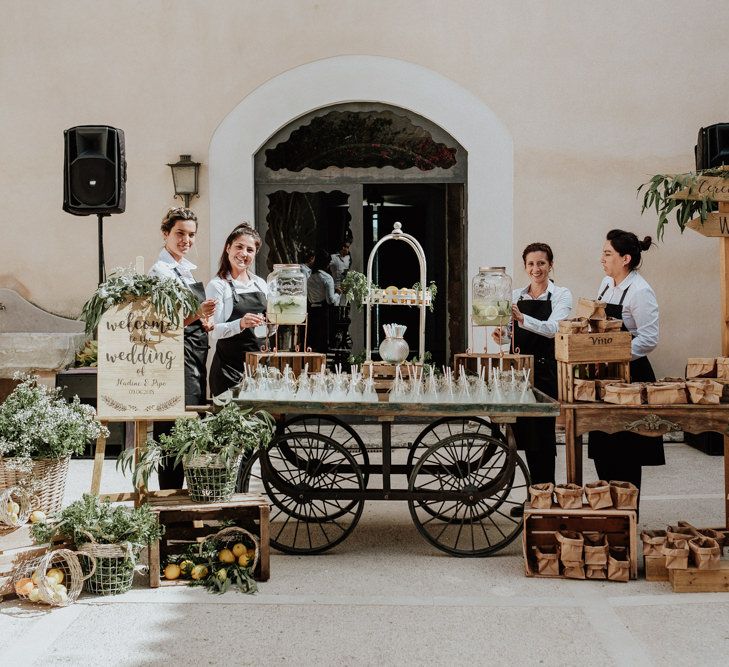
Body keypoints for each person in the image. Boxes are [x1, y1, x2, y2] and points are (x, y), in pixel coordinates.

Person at [494, 243, 573, 515]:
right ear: (525, 267)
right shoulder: (516, 295)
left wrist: (522, 318)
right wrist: (501, 336)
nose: (536, 269)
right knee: (525, 436)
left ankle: (546, 499)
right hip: (519, 374)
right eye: (531, 264)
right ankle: (534, 497)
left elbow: (554, 329)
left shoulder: (561, 294)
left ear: (550, 264)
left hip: (545, 373)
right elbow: (509, 333)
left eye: (541, 263)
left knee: (543, 438)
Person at [148, 206, 217, 488]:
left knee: (190, 422)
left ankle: (185, 495)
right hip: (175, 357)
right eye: (180, 233)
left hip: (194, 352)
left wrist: (205, 321)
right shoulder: (160, 272)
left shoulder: (185, 271)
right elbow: (162, 322)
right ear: (165, 233)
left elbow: (190, 315)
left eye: (191, 235)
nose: (186, 240)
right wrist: (197, 314)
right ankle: (170, 496)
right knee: (174, 424)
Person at [588, 229, 661, 496]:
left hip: (631, 376)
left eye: (608, 254)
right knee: (603, 449)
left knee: (626, 454)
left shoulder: (640, 291)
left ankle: (630, 517)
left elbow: (650, 339)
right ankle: (609, 515)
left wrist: (617, 352)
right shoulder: (606, 284)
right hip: (606, 374)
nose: (602, 259)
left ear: (625, 258)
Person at [206, 224, 270, 397]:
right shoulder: (218, 286)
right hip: (229, 372)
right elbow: (214, 332)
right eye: (239, 247)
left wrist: (272, 325)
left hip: (260, 369)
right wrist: (240, 323)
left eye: (250, 250)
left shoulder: (261, 284)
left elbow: (268, 331)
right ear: (228, 248)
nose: (244, 253)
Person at [307, 248, 341, 353]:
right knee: (322, 342)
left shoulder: (310, 277)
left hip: (311, 310)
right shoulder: (327, 278)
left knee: (311, 340)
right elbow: (330, 300)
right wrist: (338, 293)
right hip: (323, 312)